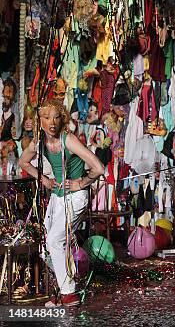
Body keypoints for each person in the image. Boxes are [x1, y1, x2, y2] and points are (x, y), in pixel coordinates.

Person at [19, 98, 105, 307]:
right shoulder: (38, 141)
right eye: (47, 117)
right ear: (40, 120)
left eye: (56, 117)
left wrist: (80, 183)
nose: (52, 122)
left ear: (62, 119)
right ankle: (63, 286)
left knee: (56, 241)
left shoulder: (69, 140)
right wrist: (45, 180)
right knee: (49, 244)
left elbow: (98, 168)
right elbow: (23, 162)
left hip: (75, 197)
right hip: (57, 197)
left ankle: (69, 294)